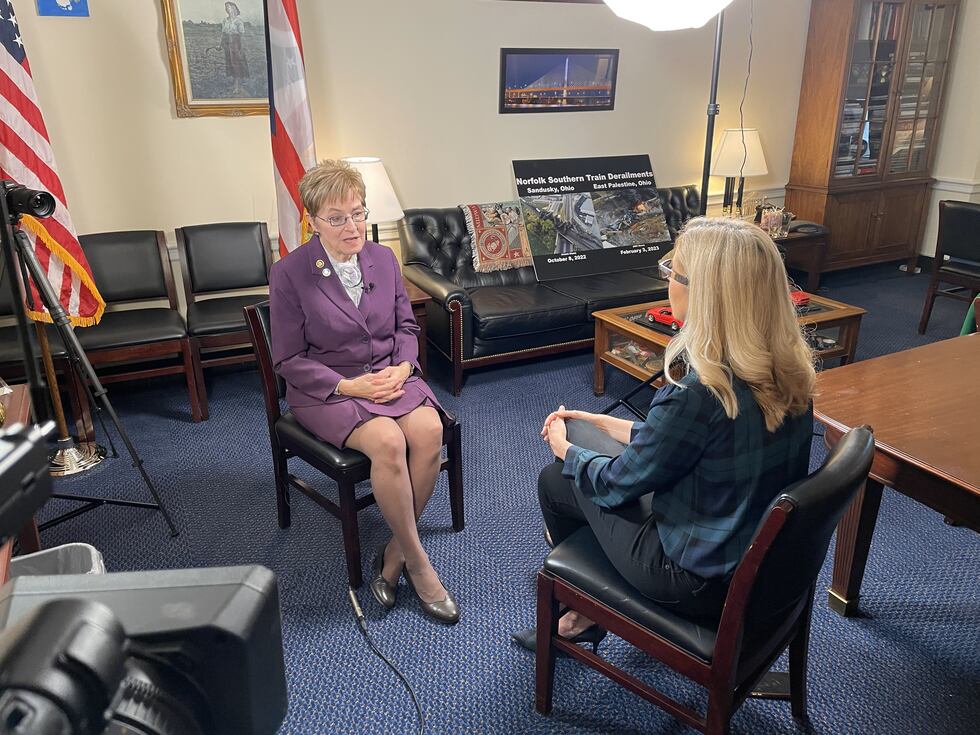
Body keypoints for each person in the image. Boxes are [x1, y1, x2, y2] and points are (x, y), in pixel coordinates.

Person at [513, 217, 816, 651]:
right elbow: (685, 443)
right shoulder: (789, 371)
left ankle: (584, 610)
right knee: (584, 440)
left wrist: (565, 449)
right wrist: (601, 423)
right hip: (755, 559)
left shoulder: (701, 391)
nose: (668, 281)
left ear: (706, 293)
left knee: (557, 479)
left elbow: (617, 485)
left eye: (673, 272)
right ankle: (585, 608)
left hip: (695, 580)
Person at [269, 160, 459, 625]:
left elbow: (407, 327)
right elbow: (287, 360)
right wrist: (345, 384)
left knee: (430, 429)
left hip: (389, 378)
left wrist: (403, 365)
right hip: (329, 389)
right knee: (390, 442)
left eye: (358, 212)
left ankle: (393, 554)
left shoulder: (383, 258)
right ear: (312, 220)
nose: (352, 226)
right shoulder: (290, 274)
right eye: (337, 217)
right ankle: (417, 563)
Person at [221, 2, 249, 96]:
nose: (226, 9)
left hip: (236, 44)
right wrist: (220, 45)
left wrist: (242, 47)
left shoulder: (238, 21)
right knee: (230, 64)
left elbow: (242, 36)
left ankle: (237, 87)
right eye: (225, 7)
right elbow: (223, 34)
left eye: (228, 7)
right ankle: (234, 84)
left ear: (233, 8)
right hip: (227, 44)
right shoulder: (225, 21)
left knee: (236, 64)